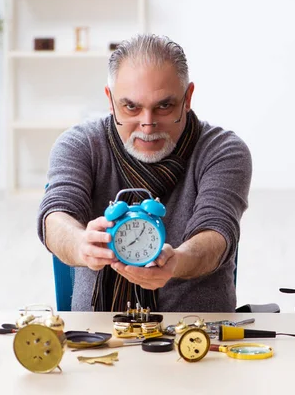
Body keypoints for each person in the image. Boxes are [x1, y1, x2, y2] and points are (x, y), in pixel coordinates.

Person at [37, 33, 252, 313]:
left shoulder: (224, 150)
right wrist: (81, 244)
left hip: (195, 333)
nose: (147, 125)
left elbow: (217, 232)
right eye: (131, 107)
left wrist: (178, 261)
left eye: (164, 106)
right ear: (110, 100)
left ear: (188, 98)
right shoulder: (80, 145)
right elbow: (55, 216)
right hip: (98, 337)